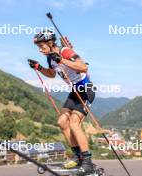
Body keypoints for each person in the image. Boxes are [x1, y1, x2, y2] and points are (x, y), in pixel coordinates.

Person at [28, 30, 95, 175]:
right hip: (74, 91)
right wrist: (39, 67)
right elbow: (52, 74)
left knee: (73, 123)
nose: (40, 49)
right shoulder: (50, 58)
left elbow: (83, 67)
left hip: (85, 89)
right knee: (62, 122)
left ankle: (88, 163)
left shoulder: (65, 51)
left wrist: (61, 59)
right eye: (38, 47)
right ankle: (79, 157)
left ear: (50, 42)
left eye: (42, 46)